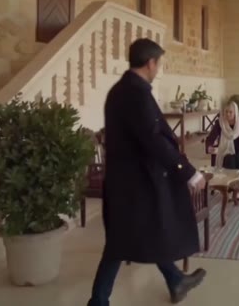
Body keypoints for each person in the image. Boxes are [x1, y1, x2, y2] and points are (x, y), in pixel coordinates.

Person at [87, 38, 207, 305]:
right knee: (120, 243)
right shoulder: (135, 94)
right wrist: (188, 172)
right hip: (136, 184)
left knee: (140, 234)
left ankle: (175, 280)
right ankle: (98, 302)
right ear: (150, 63)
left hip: (128, 181)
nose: (158, 68)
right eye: (158, 63)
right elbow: (154, 140)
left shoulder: (121, 90)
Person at [205, 101, 239, 191]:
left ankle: (237, 189)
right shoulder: (220, 123)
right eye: (226, 112)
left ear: (235, 112)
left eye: (230, 112)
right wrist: (209, 146)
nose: (228, 114)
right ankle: (230, 189)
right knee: (230, 160)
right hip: (226, 150)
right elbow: (210, 138)